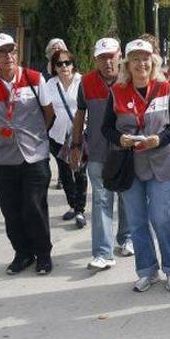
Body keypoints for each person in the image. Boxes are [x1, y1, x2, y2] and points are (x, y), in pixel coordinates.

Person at [102, 40, 170, 292]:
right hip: (130, 166)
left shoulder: (164, 87)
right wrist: (121, 139)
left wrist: (159, 139)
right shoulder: (117, 91)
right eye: (136, 59)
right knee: (137, 222)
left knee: (161, 218)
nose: (142, 64)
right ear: (127, 64)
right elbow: (106, 128)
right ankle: (148, 271)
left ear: (154, 62)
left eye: (146, 58)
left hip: (161, 164)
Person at [0, 33, 56, 276]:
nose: (8, 56)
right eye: (2, 53)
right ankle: (22, 253)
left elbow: (49, 112)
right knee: (11, 209)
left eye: (11, 51)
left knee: (33, 205)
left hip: (34, 155)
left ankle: (43, 254)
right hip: (3, 157)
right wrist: (2, 134)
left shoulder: (34, 78)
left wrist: (35, 135)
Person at [71, 38, 135, 271]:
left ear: (120, 56)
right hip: (97, 151)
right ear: (95, 59)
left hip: (126, 151)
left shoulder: (130, 79)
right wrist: (76, 144)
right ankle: (102, 252)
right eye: (102, 57)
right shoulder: (86, 83)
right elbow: (80, 114)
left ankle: (127, 238)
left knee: (127, 197)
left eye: (111, 56)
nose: (107, 61)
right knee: (101, 200)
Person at [45, 49, 87, 228]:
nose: (64, 67)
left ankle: (80, 210)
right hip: (56, 136)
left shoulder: (82, 81)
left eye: (67, 63)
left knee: (80, 172)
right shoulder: (50, 84)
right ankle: (72, 205)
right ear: (54, 67)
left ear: (73, 64)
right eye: (59, 64)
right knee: (64, 172)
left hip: (78, 135)